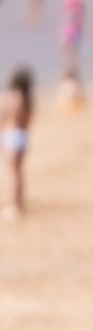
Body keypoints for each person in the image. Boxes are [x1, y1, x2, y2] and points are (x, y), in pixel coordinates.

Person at [1, 67, 33, 220]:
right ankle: (19, 203)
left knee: (12, 172)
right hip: (23, 135)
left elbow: (3, 117)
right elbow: (28, 120)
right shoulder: (28, 99)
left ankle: (14, 206)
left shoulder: (10, 97)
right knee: (19, 172)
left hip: (11, 135)